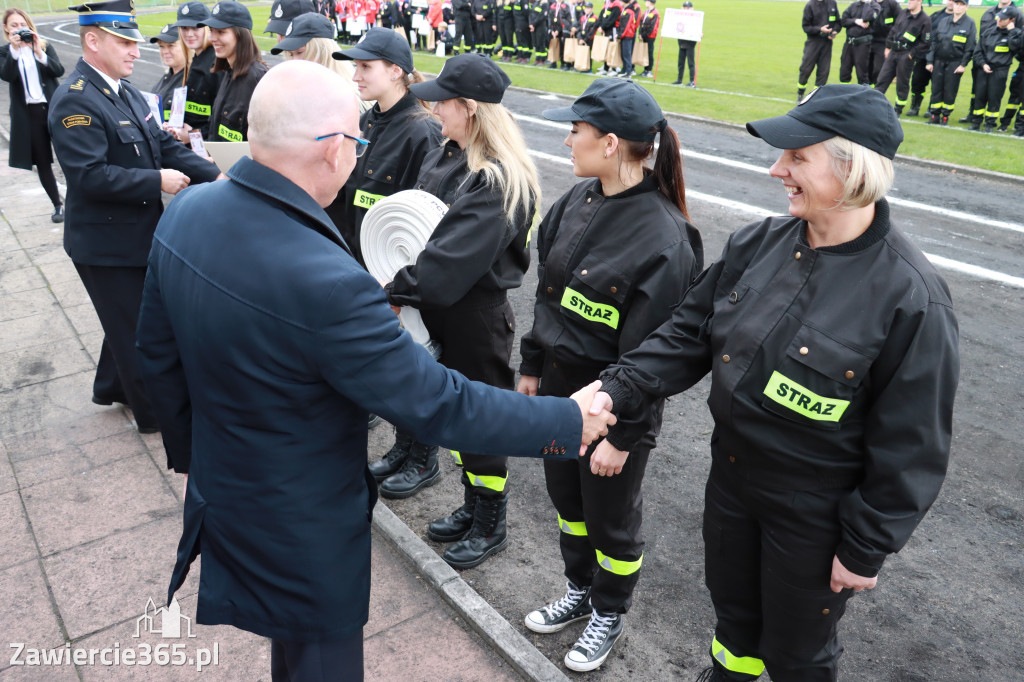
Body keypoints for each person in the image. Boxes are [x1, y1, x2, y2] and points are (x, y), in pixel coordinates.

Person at [136, 59, 616, 682]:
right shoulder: (328, 282)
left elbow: (156, 354)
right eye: (357, 142)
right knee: (318, 660)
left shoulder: (189, 210)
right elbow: (441, 404)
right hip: (301, 518)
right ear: (334, 149)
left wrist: (200, 458)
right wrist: (566, 420)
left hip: (225, 485)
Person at [590, 84, 959, 681]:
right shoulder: (756, 243)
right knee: (734, 620)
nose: (776, 169)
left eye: (797, 157)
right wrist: (617, 386)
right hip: (733, 482)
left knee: (797, 652)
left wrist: (865, 545)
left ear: (853, 169)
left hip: (814, 512)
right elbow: (686, 333)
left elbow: (912, 445)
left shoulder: (910, 296)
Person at [519, 79, 703, 673]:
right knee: (566, 503)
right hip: (557, 395)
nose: (568, 139)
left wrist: (623, 436)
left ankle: (609, 610)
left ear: (613, 143)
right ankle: (580, 589)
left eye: (577, 130)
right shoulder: (578, 199)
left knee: (611, 521)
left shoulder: (665, 238)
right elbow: (550, 296)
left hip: (612, 413)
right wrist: (530, 364)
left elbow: (658, 356)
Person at [374, 54, 540, 570]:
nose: (433, 108)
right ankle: (472, 505)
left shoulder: (497, 180)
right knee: (449, 412)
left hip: (473, 316)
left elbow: (444, 269)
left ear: (468, 108)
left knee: (480, 423)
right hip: (436, 307)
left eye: (442, 101)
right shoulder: (447, 153)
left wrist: (386, 288)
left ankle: (490, 518)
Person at [47, 0, 221, 434]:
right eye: (123, 41)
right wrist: (156, 181)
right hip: (107, 245)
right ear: (92, 40)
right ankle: (158, 417)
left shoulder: (121, 90)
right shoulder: (75, 101)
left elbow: (163, 144)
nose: (135, 51)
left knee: (128, 316)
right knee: (136, 333)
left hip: (135, 234)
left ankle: (112, 385)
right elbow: (89, 177)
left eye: (133, 41)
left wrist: (220, 178)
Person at [329, 28, 441, 267]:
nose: (355, 76)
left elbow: (426, 223)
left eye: (366, 67)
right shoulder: (362, 122)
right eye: (356, 66)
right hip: (351, 264)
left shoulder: (423, 132)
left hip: (388, 276)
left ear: (395, 71)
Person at [1, 8, 65, 222]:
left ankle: (78, 200)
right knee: (43, 162)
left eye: (22, 24)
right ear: (6, 29)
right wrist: (15, 50)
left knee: (69, 154)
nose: (19, 29)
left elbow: (58, 71)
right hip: (30, 114)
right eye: (13, 26)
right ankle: (58, 205)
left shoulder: (44, 45)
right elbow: (7, 75)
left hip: (53, 110)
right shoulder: (5, 53)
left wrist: (38, 51)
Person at [269, 11, 367, 113]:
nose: (294, 61)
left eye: (300, 52)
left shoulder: (347, 101)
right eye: (291, 54)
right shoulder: (296, 92)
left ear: (322, 52)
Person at [199, 1, 268, 141]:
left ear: (241, 35)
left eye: (221, 32)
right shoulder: (228, 72)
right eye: (211, 31)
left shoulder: (257, 79)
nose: (212, 38)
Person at [168, 1, 219, 143]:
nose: (189, 34)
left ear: (207, 28)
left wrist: (191, 135)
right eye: (184, 28)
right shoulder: (195, 59)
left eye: (196, 27)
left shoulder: (215, 62)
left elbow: (218, 122)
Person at [874, 0, 931, 115]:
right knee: (882, 79)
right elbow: (893, 30)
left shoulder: (925, 20)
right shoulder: (903, 13)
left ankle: (898, 109)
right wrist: (888, 46)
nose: (909, 2)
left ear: (919, 1)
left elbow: (926, 42)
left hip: (906, 54)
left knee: (902, 83)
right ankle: (874, 105)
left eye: (912, 0)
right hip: (893, 52)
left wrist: (911, 54)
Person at [969, 7, 1021, 132]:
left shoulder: (1017, 34)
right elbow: (978, 51)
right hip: (984, 68)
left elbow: (1016, 48)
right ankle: (976, 122)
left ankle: (990, 124)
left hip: (1000, 71)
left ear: (1011, 20)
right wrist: (983, 64)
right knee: (979, 96)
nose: (999, 20)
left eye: (1003, 19)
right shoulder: (989, 32)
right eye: (999, 17)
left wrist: (1012, 32)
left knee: (994, 98)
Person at [924, 0, 975, 125]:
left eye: (961, 4)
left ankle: (945, 116)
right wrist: (930, 61)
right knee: (936, 89)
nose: (958, 7)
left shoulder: (970, 24)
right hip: (938, 61)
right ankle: (935, 115)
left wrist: (963, 65)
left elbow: (970, 47)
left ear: (966, 7)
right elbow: (933, 42)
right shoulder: (944, 21)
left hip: (955, 63)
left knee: (950, 90)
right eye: (956, 4)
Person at [797, 0, 839, 100]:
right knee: (806, 69)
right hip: (813, 42)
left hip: (827, 43)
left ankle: (816, 96)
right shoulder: (810, 5)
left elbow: (838, 22)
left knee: (824, 71)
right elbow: (806, 27)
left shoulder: (832, 3)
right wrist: (820, 29)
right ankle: (800, 93)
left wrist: (835, 31)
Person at [149, 24, 187, 124]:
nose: (165, 51)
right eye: (161, 46)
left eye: (171, 45)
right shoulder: (167, 77)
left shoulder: (192, 81)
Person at [839, 0, 879, 86]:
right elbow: (843, 21)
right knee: (844, 72)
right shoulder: (854, 5)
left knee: (862, 74)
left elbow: (867, 17)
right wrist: (856, 21)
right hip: (849, 44)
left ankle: (864, 96)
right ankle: (844, 94)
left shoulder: (875, 6)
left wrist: (867, 3)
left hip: (862, 45)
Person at [868, 0, 900, 83]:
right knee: (867, 67)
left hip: (884, 41)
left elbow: (900, 21)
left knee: (878, 68)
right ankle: (869, 87)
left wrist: (892, 38)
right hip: (869, 39)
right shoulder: (870, 3)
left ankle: (892, 75)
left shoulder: (892, 4)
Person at [672, 0, 696, 86]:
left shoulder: (695, 18)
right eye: (685, 7)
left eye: (688, 7)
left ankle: (692, 80)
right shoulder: (680, 17)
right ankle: (679, 79)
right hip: (681, 42)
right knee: (680, 62)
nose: (686, 9)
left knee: (691, 63)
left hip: (690, 44)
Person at [637, 0, 659, 78]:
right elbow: (641, 23)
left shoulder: (655, 13)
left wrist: (643, 35)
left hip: (650, 36)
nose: (645, 3)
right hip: (644, 35)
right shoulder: (646, 12)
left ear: (650, 2)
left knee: (649, 53)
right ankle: (645, 69)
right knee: (645, 52)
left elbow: (652, 27)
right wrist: (640, 33)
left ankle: (649, 70)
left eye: (646, 1)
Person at [529, 0, 550, 65]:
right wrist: (531, 24)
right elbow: (531, 14)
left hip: (540, 26)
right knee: (536, 44)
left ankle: (542, 60)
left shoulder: (545, 4)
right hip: (534, 26)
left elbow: (542, 16)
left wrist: (534, 24)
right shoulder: (536, 3)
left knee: (541, 43)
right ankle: (537, 59)